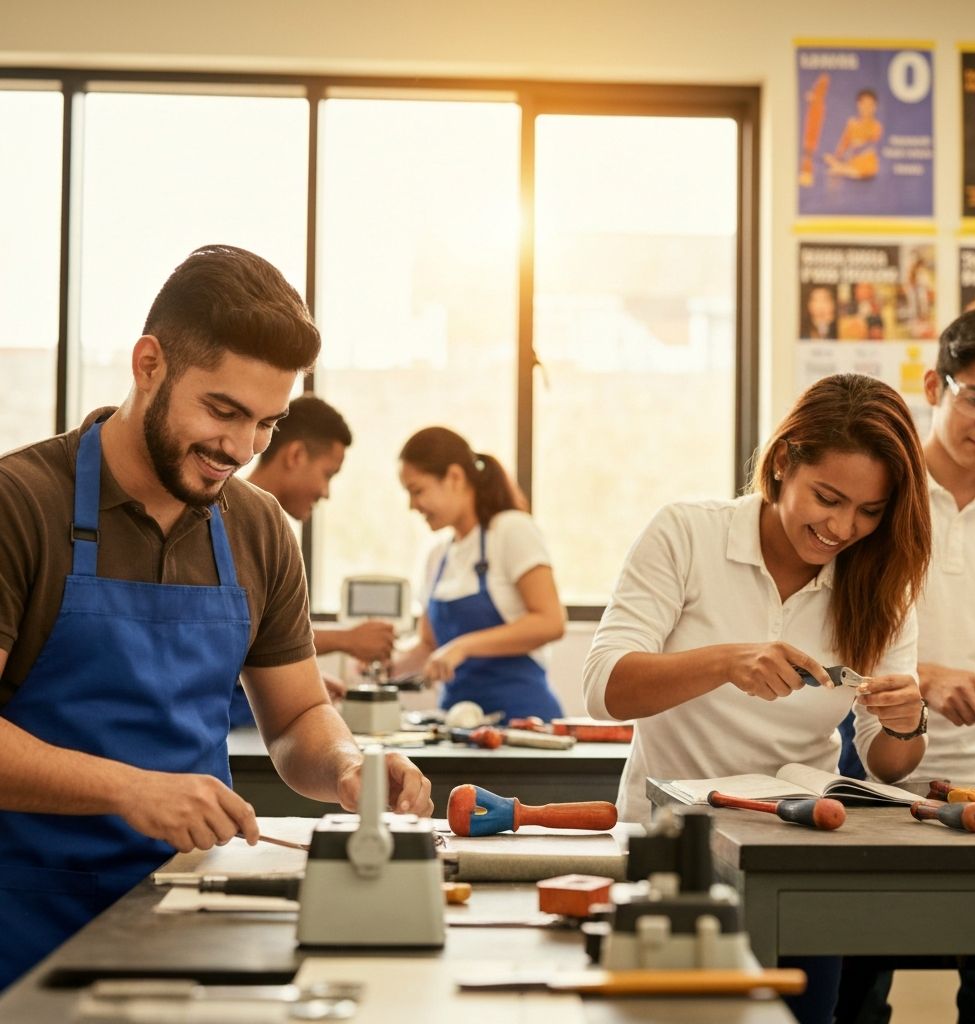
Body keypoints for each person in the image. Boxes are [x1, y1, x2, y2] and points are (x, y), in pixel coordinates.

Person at [0, 244, 432, 991]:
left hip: (190, 910)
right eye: (223, 411)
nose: (240, 448)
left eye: (266, 423)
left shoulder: (259, 529)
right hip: (27, 917)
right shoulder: (20, 505)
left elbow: (297, 718)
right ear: (149, 365)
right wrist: (132, 789)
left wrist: (347, 765)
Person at [583, 373, 931, 1024]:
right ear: (781, 463)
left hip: (800, 866)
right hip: (670, 854)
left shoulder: (882, 586)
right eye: (827, 498)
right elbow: (604, 688)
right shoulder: (687, 533)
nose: (842, 527)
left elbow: (886, 763)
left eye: (869, 511)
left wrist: (906, 724)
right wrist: (725, 661)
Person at [836, 307, 975, 1023]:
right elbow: (829, 631)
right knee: (854, 992)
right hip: (876, 778)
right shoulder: (876, 496)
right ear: (933, 386)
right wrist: (925, 678)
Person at [235, 394, 395, 723]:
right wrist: (347, 639)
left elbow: (265, 633)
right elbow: (240, 637)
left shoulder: (274, 537)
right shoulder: (231, 526)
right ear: (295, 455)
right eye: (328, 474)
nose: (326, 492)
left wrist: (300, 684)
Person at [392, 426, 565, 721]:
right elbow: (428, 645)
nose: (412, 506)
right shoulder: (437, 555)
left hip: (523, 721)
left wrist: (463, 647)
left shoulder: (511, 530)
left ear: (455, 477)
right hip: (457, 723)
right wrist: (386, 664)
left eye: (417, 491)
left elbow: (551, 622)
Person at [824, 88, 883, 180]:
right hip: (851, 161)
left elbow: (868, 145)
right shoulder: (851, 123)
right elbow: (844, 143)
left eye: (870, 105)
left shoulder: (876, 125)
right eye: (864, 104)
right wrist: (836, 157)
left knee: (859, 169)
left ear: (875, 107)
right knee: (828, 158)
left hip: (867, 166)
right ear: (858, 105)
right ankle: (841, 168)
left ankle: (842, 169)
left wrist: (854, 149)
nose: (867, 108)